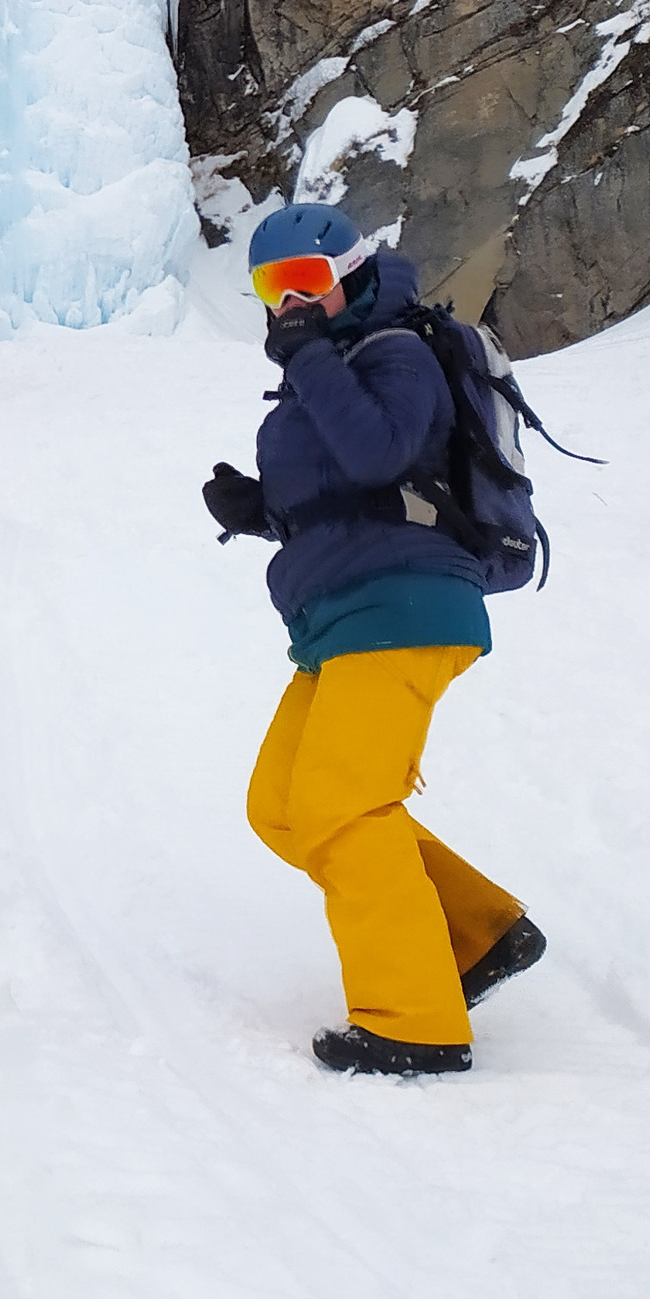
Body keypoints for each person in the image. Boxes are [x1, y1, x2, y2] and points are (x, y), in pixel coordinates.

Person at [202, 203, 545, 1076]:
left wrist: (313, 353)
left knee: (341, 806)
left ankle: (414, 1021)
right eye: (272, 290)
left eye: (307, 285)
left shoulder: (395, 349)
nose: (289, 306)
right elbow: (353, 492)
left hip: (405, 608)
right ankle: (475, 937)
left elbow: (380, 451)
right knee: (281, 805)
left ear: (351, 275)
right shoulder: (328, 366)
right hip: (343, 617)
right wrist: (265, 512)